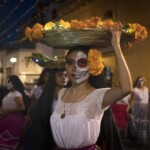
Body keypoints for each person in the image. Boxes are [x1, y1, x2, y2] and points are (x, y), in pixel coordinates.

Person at [50, 29, 132, 149]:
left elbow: (126, 89)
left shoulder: (98, 96)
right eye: (70, 62)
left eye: (82, 63)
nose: (75, 68)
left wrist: (117, 47)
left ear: (92, 66)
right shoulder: (62, 93)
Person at [17, 68, 67, 150]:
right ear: (52, 77)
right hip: (46, 132)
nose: (64, 78)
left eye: (65, 75)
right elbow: (38, 112)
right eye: (60, 75)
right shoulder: (46, 94)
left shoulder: (68, 93)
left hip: (63, 132)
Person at [0, 75, 30, 150]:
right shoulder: (9, 94)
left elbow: (22, 107)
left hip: (13, 121)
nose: (7, 84)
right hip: (6, 119)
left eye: (9, 82)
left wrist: (7, 110)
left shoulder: (17, 94)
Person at [126, 76, 150, 146]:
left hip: (145, 108)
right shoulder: (134, 90)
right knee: (137, 123)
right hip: (137, 108)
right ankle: (137, 139)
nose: (140, 82)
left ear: (144, 81)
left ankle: (144, 140)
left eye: (142, 80)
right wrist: (129, 110)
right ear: (136, 82)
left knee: (145, 123)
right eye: (139, 80)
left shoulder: (146, 89)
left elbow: (148, 100)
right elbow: (131, 101)